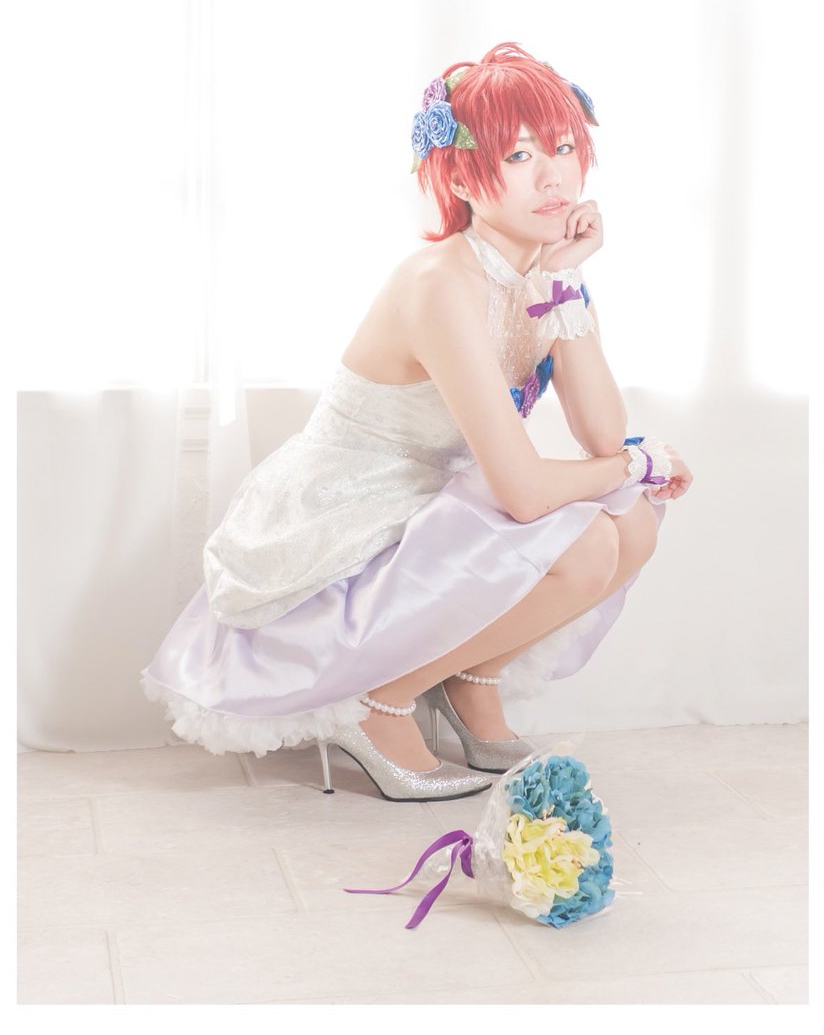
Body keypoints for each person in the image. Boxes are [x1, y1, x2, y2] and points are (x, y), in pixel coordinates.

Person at [140, 42, 692, 803]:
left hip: (434, 496)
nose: (553, 176)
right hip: (351, 508)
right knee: (594, 528)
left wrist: (568, 280)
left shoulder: (546, 277)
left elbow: (600, 433)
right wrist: (637, 462)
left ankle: (471, 681)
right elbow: (533, 489)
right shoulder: (440, 283)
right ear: (461, 177)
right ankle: (379, 705)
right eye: (520, 154)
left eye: (564, 148)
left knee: (631, 522)